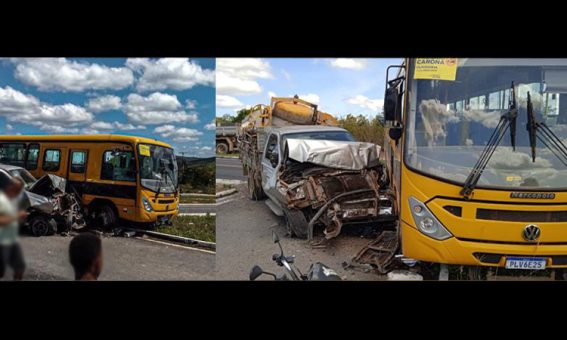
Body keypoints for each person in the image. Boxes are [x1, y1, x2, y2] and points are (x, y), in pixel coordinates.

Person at [0, 177, 28, 280]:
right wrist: (17, 216)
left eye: (20, 189)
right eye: (17, 189)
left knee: (20, 268)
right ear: (10, 187)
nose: (19, 192)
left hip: (12, 241)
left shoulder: (14, 200)